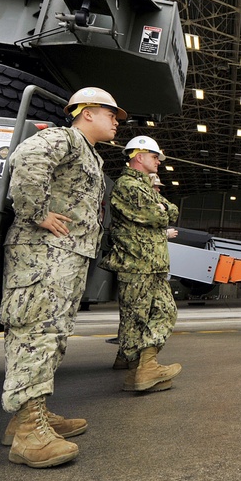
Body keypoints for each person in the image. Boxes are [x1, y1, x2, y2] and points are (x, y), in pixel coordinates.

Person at [0, 86, 124, 468]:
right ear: (86, 112)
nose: (116, 122)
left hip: (66, 255)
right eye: (111, 115)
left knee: (52, 334)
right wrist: (38, 213)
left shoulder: (89, 153)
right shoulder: (63, 136)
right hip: (43, 255)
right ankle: (27, 435)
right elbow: (26, 160)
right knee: (36, 332)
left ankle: (31, 414)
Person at [101, 136, 181, 393]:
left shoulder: (144, 187)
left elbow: (172, 210)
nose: (158, 161)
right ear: (139, 156)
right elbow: (155, 214)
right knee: (135, 320)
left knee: (165, 312)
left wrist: (161, 208)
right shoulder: (127, 186)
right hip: (136, 263)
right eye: (155, 156)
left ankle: (145, 368)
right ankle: (139, 371)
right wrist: (160, 209)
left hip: (152, 264)